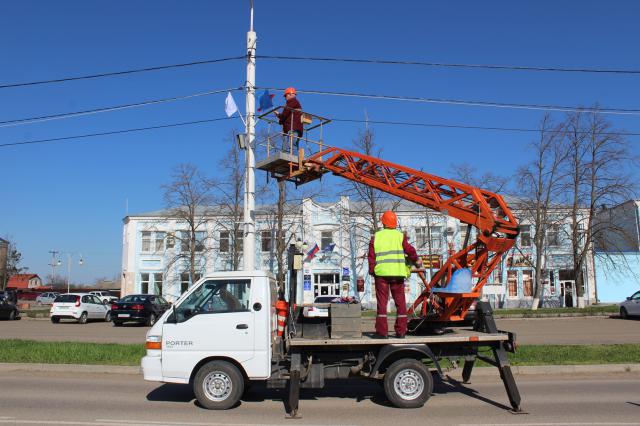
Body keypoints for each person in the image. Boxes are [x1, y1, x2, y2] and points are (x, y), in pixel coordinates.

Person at [368, 211, 419, 338]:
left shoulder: (376, 237)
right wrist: (415, 259)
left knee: (382, 303)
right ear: (395, 223)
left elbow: (371, 257)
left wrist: (372, 271)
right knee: (400, 303)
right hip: (397, 274)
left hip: (381, 275)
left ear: (383, 222)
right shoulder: (400, 236)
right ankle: (401, 331)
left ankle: (382, 332)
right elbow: (410, 250)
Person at [275, 87, 303, 151]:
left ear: (290, 94)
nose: (285, 98)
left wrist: (279, 116)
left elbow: (285, 114)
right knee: (288, 146)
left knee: (292, 146)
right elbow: (286, 115)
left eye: (285, 95)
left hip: (293, 128)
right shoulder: (293, 102)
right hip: (292, 128)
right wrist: (280, 118)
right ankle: (292, 158)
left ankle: (293, 158)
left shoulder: (292, 101)